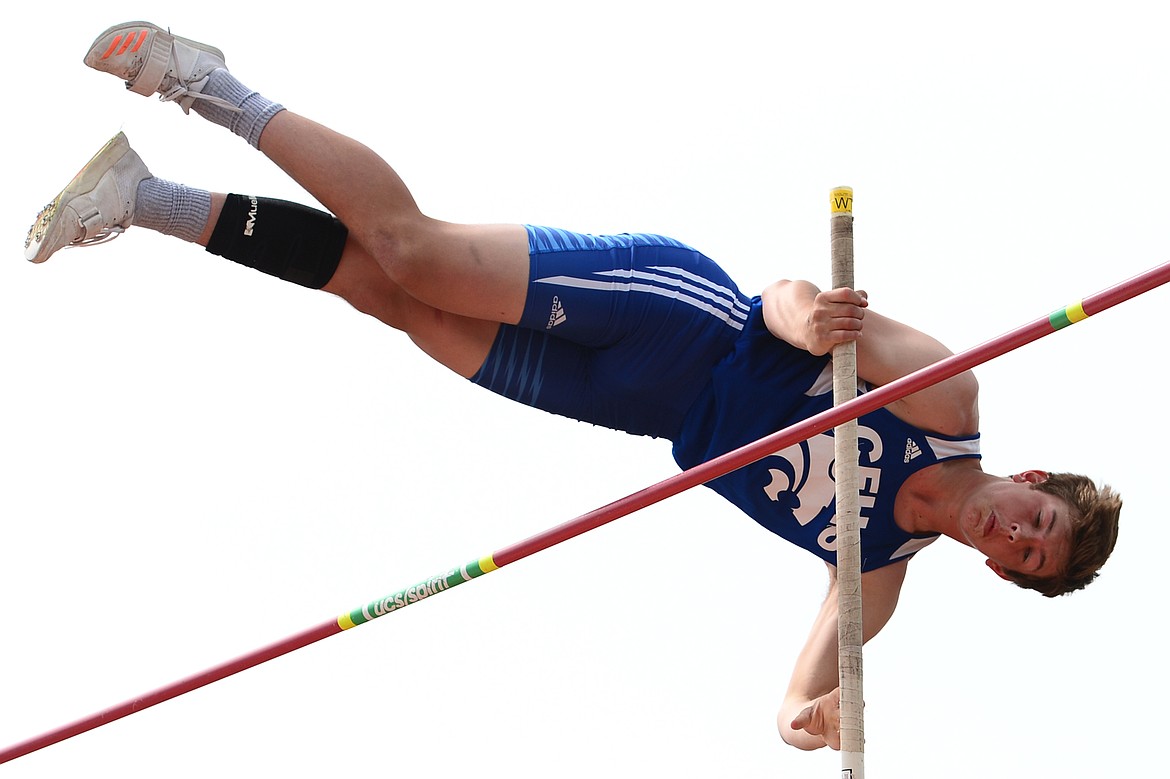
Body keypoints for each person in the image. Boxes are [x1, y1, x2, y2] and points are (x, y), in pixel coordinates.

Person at [25, 21, 1121, 751]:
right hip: (682, 316)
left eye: (1026, 556)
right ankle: (205, 82)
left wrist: (801, 716)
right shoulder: (947, 406)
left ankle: (145, 196)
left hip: (638, 409)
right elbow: (792, 298)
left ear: (1002, 568)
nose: (1018, 535)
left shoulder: (875, 571)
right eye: (1038, 519)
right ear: (1031, 480)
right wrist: (806, 320)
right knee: (413, 251)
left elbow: (803, 683)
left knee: (390, 300)